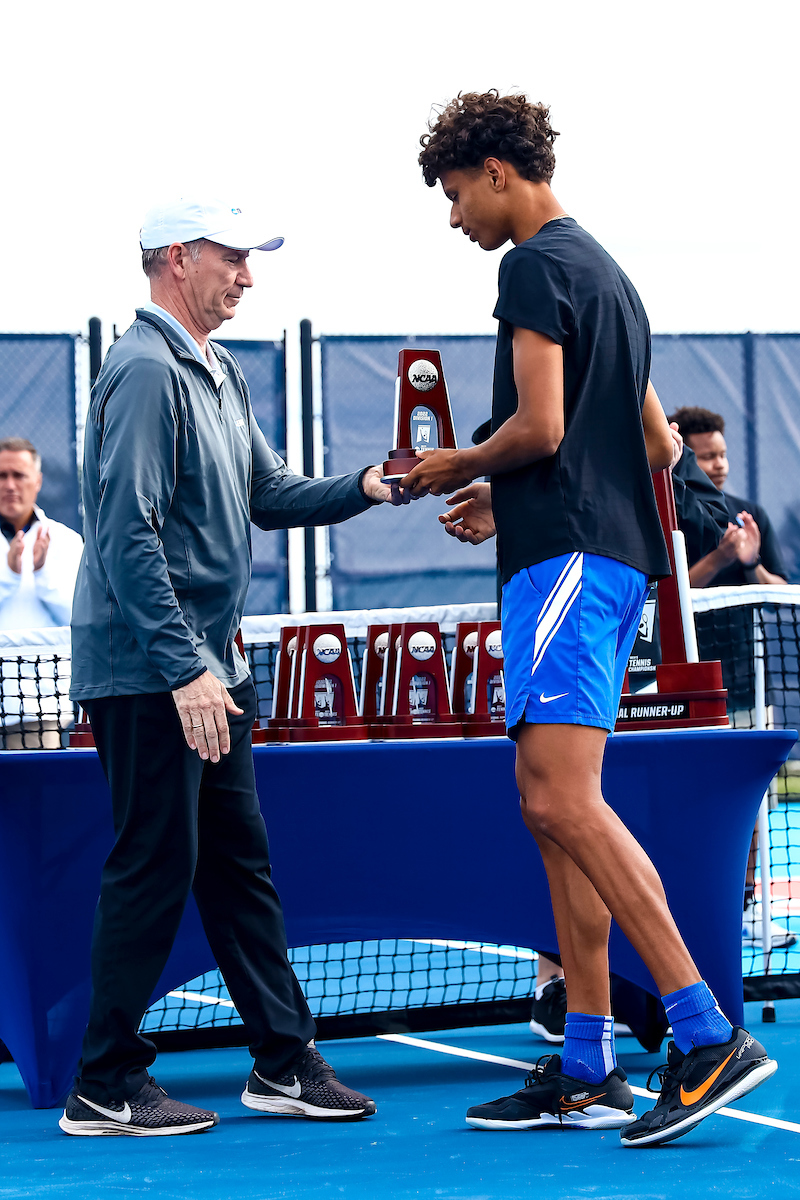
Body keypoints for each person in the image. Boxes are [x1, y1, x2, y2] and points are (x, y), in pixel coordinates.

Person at [402, 91, 776, 1146]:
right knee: (547, 803)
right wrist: (504, 490)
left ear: (494, 171)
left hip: (563, 565)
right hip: (609, 566)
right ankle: (584, 1060)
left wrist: (458, 464)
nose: (454, 218)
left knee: (561, 801)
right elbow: (650, 449)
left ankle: (704, 1032)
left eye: (453, 194)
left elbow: (542, 423)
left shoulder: (526, 266)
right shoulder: (612, 275)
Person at [60, 198, 400, 1137]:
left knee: (238, 866)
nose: (248, 276)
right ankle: (104, 1081)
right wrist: (184, 670)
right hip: (151, 674)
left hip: (207, 670)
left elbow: (269, 492)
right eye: (233, 257)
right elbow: (125, 532)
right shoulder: (139, 370)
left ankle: (284, 1062)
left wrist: (370, 486)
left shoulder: (218, 371)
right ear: (177, 259)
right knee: (154, 863)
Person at [670, 405, 794, 952]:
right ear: (684, 457)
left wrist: (749, 560)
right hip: (684, 685)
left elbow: (778, 587)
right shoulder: (667, 512)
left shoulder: (749, 514)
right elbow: (671, 594)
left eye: (721, 454)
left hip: (745, 683)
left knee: (749, 807)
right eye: (706, 455)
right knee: (690, 805)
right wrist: (721, 556)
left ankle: (743, 906)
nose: (717, 465)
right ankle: (686, 909)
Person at [0, 437, 83, 748]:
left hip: (40, 706)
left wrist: (41, 574)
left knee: (32, 796)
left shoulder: (67, 541)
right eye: (1, 475)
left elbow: (79, 618)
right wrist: (8, 574)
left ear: (37, 481)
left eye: (18, 475)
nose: (10, 485)